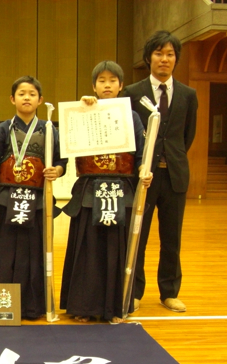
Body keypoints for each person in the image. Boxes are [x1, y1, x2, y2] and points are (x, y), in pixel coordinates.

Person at [60, 61, 151, 324]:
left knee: (114, 248)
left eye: (113, 80)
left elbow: (141, 152)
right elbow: (69, 144)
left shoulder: (132, 116)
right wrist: (81, 110)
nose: (107, 85)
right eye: (101, 80)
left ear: (121, 85)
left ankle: (114, 307)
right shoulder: (83, 110)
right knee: (88, 248)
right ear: (94, 85)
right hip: (90, 189)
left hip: (120, 189)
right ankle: (83, 306)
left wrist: (144, 169)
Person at [122, 30, 198, 313]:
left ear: (175, 59)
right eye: (158, 53)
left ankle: (169, 292)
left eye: (170, 54)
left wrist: (171, 159)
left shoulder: (189, 94)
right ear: (148, 58)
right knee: (137, 236)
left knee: (171, 238)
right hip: (143, 176)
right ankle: (135, 291)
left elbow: (187, 136)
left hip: (175, 176)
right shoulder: (132, 92)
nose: (164, 59)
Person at [0, 76, 67, 320]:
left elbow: (62, 161)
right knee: (4, 256)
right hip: (6, 200)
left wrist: (57, 171)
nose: (27, 97)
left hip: (38, 202)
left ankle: (32, 308)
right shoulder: (2, 129)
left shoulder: (49, 129)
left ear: (40, 100)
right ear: (12, 99)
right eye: (21, 93)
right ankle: (3, 309)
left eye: (32, 93)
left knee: (35, 255)